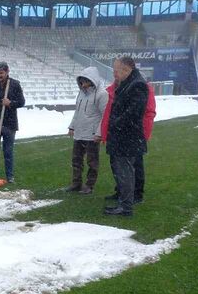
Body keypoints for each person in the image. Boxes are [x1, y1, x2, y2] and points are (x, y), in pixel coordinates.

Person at [100, 70, 156, 204]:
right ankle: (121, 191)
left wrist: (143, 133)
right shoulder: (112, 90)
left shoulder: (140, 87)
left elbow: (148, 112)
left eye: (117, 73)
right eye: (114, 74)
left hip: (132, 134)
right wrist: (105, 132)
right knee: (116, 165)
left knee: (134, 165)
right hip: (116, 134)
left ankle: (136, 194)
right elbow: (108, 114)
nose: (115, 76)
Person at [65, 67, 108, 194]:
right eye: (81, 81)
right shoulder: (81, 94)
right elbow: (77, 111)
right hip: (79, 132)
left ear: (92, 80)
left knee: (92, 161)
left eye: (85, 81)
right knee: (76, 160)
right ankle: (76, 183)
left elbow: (105, 115)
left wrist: (99, 133)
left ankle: (89, 185)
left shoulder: (102, 94)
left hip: (92, 134)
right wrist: (72, 126)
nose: (83, 84)